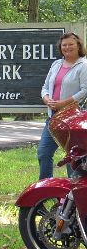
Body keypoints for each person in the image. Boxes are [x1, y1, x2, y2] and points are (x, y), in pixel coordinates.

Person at [38, 31, 87, 180]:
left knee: (73, 158)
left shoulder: (83, 65)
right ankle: (45, 190)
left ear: (78, 45)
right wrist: (47, 99)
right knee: (43, 153)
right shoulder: (56, 64)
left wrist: (63, 103)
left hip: (73, 119)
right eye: (64, 45)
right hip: (53, 118)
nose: (67, 47)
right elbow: (45, 87)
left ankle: (73, 197)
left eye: (71, 44)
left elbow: (85, 90)